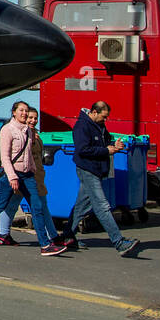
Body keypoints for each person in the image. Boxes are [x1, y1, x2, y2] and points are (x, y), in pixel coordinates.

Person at [0, 101, 65, 255]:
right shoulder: (7, 130)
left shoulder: (28, 131)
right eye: (21, 110)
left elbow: (28, 155)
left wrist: (32, 169)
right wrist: (12, 177)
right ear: (14, 112)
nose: (24, 113)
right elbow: (5, 157)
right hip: (12, 175)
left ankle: (45, 245)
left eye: (26, 110)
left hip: (28, 176)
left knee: (36, 207)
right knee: (0, 205)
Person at [55, 100, 139, 255]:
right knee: (102, 206)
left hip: (97, 170)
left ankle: (67, 236)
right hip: (88, 169)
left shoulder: (98, 125)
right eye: (104, 116)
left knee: (81, 206)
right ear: (94, 112)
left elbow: (106, 141)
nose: (105, 120)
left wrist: (115, 144)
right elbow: (83, 150)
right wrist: (106, 151)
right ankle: (119, 242)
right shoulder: (82, 126)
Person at [0, 106, 59, 246]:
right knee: (18, 205)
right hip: (24, 177)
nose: (33, 120)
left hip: (34, 176)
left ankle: (4, 235)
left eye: (35, 118)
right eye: (30, 117)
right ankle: (51, 237)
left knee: (31, 206)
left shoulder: (33, 134)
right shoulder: (23, 134)